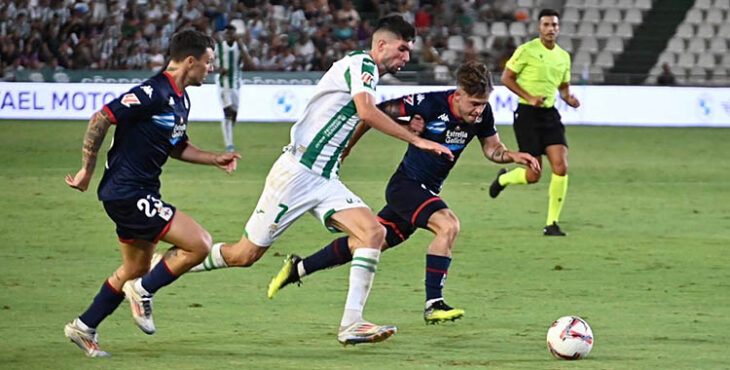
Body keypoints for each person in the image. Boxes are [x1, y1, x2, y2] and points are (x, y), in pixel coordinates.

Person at [166, 15, 452, 346]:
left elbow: (360, 113)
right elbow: (366, 112)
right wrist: (417, 141)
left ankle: (352, 324)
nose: (405, 58)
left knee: (374, 232)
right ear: (381, 44)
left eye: (409, 52)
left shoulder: (366, 73)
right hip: (298, 174)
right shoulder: (362, 64)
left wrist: (348, 147)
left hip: (324, 177)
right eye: (402, 50)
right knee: (244, 255)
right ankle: (161, 268)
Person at [266, 61, 540, 324]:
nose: (479, 111)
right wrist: (348, 147)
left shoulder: (483, 114)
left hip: (424, 192)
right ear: (458, 95)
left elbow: (493, 150)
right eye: (474, 104)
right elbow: (373, 113)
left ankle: (298, 268)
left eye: (483, 104)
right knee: (448, 225)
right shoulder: (427, 103)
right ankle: (434, 304)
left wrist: (514, 156)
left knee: (368, 242)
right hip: (406, 186)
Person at [63, 29, 241, 357]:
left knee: (134, 268)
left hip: (136, 191)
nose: (211, 69)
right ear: (191, 61)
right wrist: (87, 168)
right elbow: (102, 117)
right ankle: (143, 293)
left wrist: (214, 158)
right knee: (199, 243)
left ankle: (83, 326)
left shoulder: (181, 99)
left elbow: (177, 146)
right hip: (127, 192)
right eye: (208, 62)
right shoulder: (154, 91)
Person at [491, 8, 580, 236]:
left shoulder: (563, 56)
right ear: (539, 27)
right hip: (527, 115)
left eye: (554, 25)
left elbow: (563, 89)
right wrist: (529, 97)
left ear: (559, 28)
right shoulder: (526, 50)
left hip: (550, 115)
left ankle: (552, 223)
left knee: (561, 166)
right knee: (534, 175)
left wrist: (569, 99)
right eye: (546, 25)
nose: (551, 29)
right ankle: (504, 179)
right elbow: (506, 78)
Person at [216, 25, 254, 153]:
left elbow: (250, 64)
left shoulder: (240, 47)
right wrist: (219, 70)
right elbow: (211, 64)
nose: (229, 36)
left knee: (234, 114)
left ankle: (228, 133)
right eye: (227, 34)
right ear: (225, 35)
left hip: (236, 85)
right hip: (223, 85)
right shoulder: (219, 48)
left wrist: (241, 44)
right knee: (227, 112)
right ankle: (229, 145)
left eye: (231, 34)